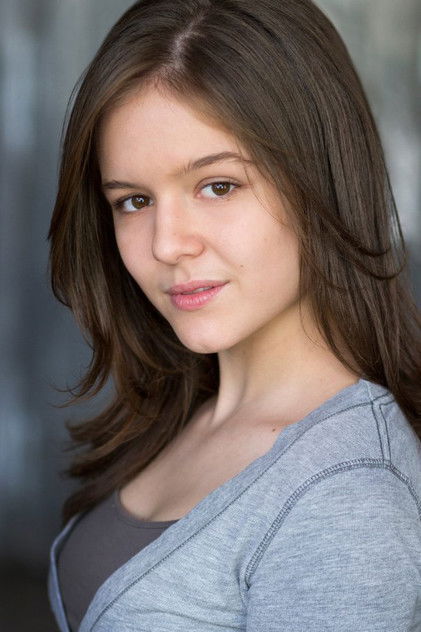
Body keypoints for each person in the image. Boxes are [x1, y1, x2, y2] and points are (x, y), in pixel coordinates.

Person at [47, 0, 421, 630]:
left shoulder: (348, 496)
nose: (167, 244)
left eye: (218, 186)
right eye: (134, 201)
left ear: (321, 180)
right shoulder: (178, 411)